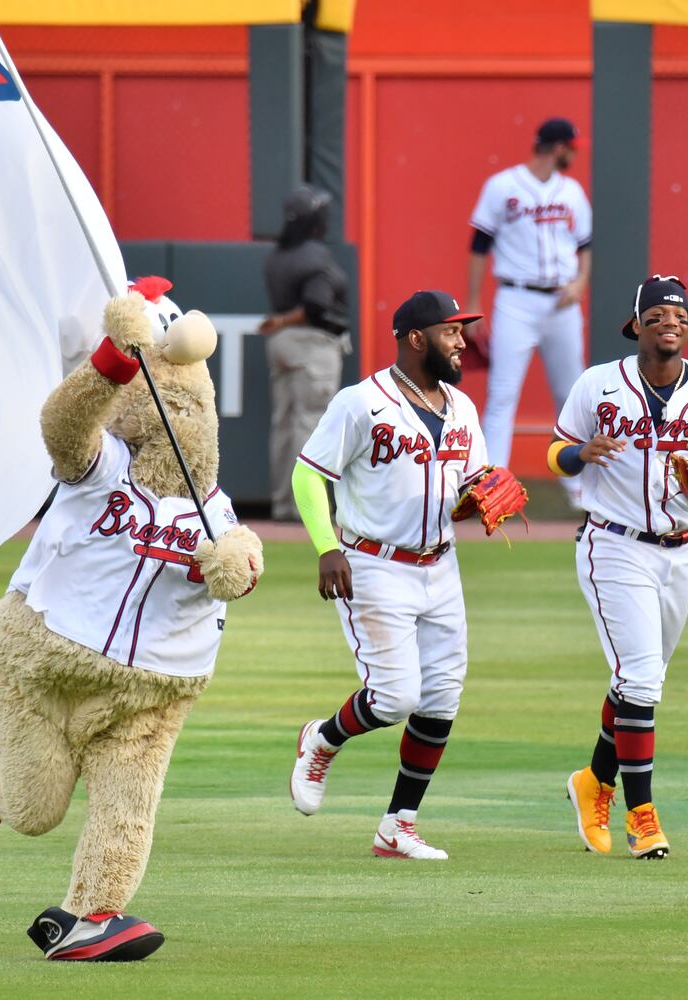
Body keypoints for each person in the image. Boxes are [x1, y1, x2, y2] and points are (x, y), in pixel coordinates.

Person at [286, 290, 494, 860]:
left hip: (441, 565)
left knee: (441, 700)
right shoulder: (361, 402)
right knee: (396, 696)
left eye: (462, 331)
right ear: (415, 338)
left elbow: (467, 489)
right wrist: (326, 547)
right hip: (374, 564)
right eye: (451, 331)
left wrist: (479, 500)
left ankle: (398, 825)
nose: (461, 341)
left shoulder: (462, 407)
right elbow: (309, 476)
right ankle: (322, 738)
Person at [550, 275, 688, 860]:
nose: (670, 322)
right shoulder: (597, 386)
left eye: (679, 314)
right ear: (636, 325)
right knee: (640, 681)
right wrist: (580, 453)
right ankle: (643, 815)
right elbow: (555, 454)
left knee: (638, 681)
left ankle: (592, 782)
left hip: (682, 551)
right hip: (613, 545)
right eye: (657, 313)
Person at [465, 117, 591, 502]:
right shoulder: (503, 186)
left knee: (571, 394)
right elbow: (478, 245)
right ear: (558, 147)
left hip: (561, 302)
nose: (573, 153)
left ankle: (579, 484)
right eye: (571, 146)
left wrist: (581, 282)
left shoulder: (570, 190)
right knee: (503, 392)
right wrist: (472, 302)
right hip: (516, 299)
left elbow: (586, 244)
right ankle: (491, 485)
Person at [260, 184, 351, 521]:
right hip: (311, 344)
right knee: (309, 424)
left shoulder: (277, 254)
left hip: (282, 343)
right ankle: (305, 507)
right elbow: (316, 305)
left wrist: (280, 321)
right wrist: (286, 318)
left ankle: (284, 503)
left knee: (283, 423)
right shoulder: (315, 254)